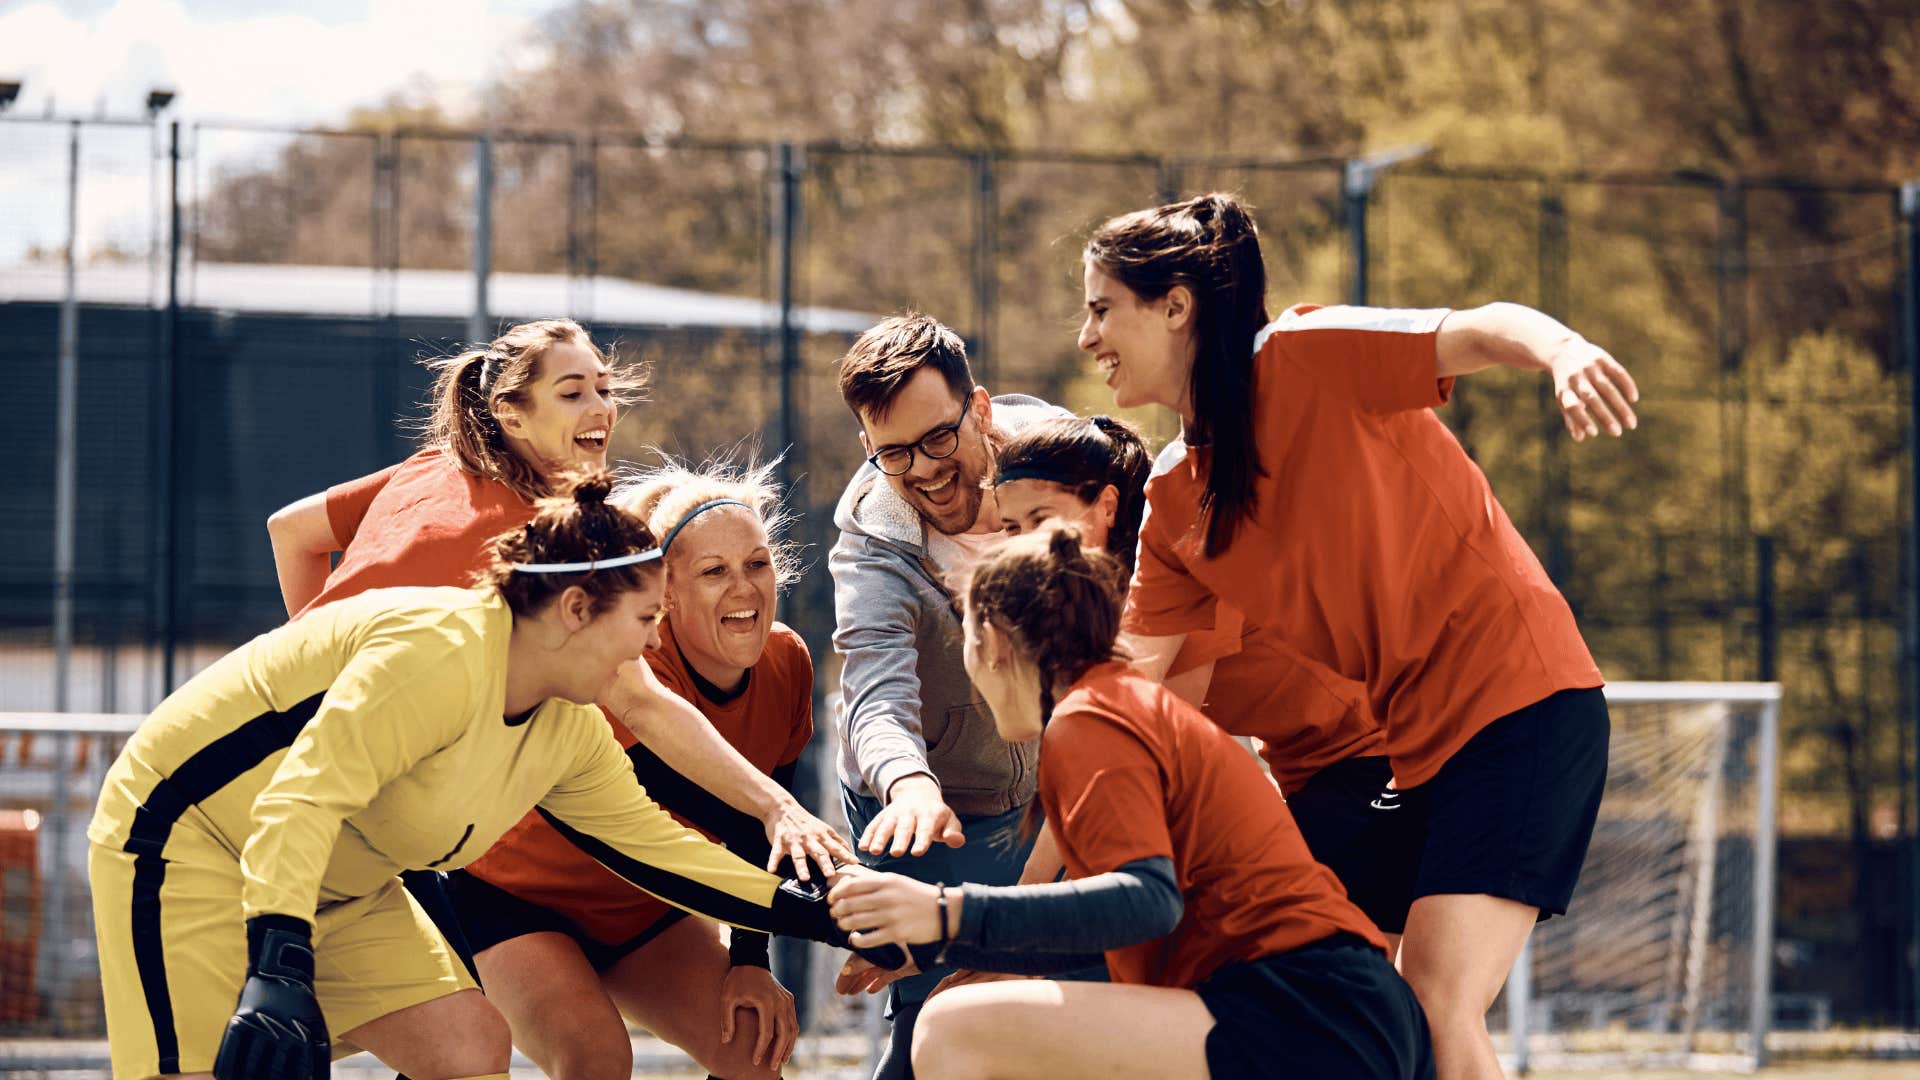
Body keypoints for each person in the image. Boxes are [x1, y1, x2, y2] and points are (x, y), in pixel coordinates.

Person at [1076, 192, 1631, 1080]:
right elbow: (1137, 715)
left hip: (1522, 700)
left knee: (1435, 1002)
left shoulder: (1305, 356)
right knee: (1332, 992)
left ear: (1176, 305)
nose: (1086, 336)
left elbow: (1479, 328)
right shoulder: (1176, 501)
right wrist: (1005, 917)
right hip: (1410, 753)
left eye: (1102, 307)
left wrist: (1563, 351)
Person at [88, 472, 897, 1080]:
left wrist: (839, 920)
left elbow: (663, 854)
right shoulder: (435, 653)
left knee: (471, 1045)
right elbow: (302, 801)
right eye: (643, 621)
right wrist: (278, 962)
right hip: (187, 836)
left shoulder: (570, 727)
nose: (648, 648)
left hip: (339, 879)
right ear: (577, 611)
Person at [829, 528, 1433, 1080]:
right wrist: (944, 940)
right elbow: (1114, 927)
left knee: (950, 1029)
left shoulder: (1092, 720)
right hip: (1343, 1013)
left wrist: (943, 912)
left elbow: (1147, 902)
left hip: (1308, 1010)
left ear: (992, 643)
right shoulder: (1115, 707)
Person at [264, 319, 852, 883]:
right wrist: (777, 809)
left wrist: (318, 659)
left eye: (603, 387)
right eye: (572, 393)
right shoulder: (549, 539)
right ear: (510, 414)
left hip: (280, 726)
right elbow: (642, 704)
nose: (600, 407)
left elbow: (290, 531)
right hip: (293, 775)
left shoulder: (434, 466)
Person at [443, 458, 815, 1079]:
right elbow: (720, 812)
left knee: (752, 1049)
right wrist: (858, 915)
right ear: (664, 592)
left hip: (644, 905)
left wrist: (753, 956)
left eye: (756, 563)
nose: (745, 588)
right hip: (516, 896)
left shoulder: (788, 661)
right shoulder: (626, 668)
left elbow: (766, 830)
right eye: (714, 572)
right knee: (597, 1059)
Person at [989, 417, 1406, 944]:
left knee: (1354, 988)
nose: (1023, 542)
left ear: (1108, 506)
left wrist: (1010, 919)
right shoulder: (1090, 599)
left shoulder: (1170, 576)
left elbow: (1132, 743)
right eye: (1009, 527)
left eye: (1040, 519)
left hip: (1367, 757)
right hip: (1303, 770)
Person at [827, 312, 1070, 1077]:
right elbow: (874, 688)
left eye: (939, 438)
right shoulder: (874, 540)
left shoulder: (1071, 472)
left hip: (1058, 783)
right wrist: (907, 785)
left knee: (1060, 1003)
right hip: (929, 808)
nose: (925, 470)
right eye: (893, 454)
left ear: (983, 409)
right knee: (940, 1019)